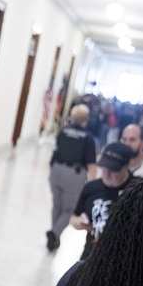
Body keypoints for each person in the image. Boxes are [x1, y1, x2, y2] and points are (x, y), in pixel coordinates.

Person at [70, 142, 136, 259]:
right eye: (104, 168)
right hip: (91, 256)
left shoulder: (138, 190)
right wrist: (78, 222)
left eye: (113, 170)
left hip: (123, 259)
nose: (107, 174)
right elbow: (73, 216)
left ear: (127, 166)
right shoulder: (91, 187)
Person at [46, 104, 97, 252]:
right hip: (74, 175)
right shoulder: (88, 138)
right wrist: (93, 185)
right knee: (68, 209)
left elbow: (54, 153)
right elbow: (91, 165)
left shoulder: (63, 132)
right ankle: (54, 233)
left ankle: (54, 235)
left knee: (57, 205)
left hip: (56, 170)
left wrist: (52, 172)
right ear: (86, 120)